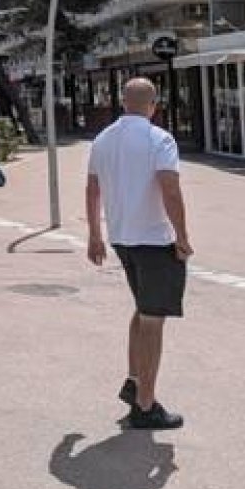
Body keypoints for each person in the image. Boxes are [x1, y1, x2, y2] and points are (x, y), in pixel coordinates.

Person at [85, 77, 193, 431]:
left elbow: (92, 189)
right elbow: (170, 189)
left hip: (121, 238)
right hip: (154, 239)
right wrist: (182, 236)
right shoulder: (159, 139)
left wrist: (95, 235)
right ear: (154, 105)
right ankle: (146, 406)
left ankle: (134, 382)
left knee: (143, 310)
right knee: (152, 321)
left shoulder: (102, 140)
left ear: (122, 103)